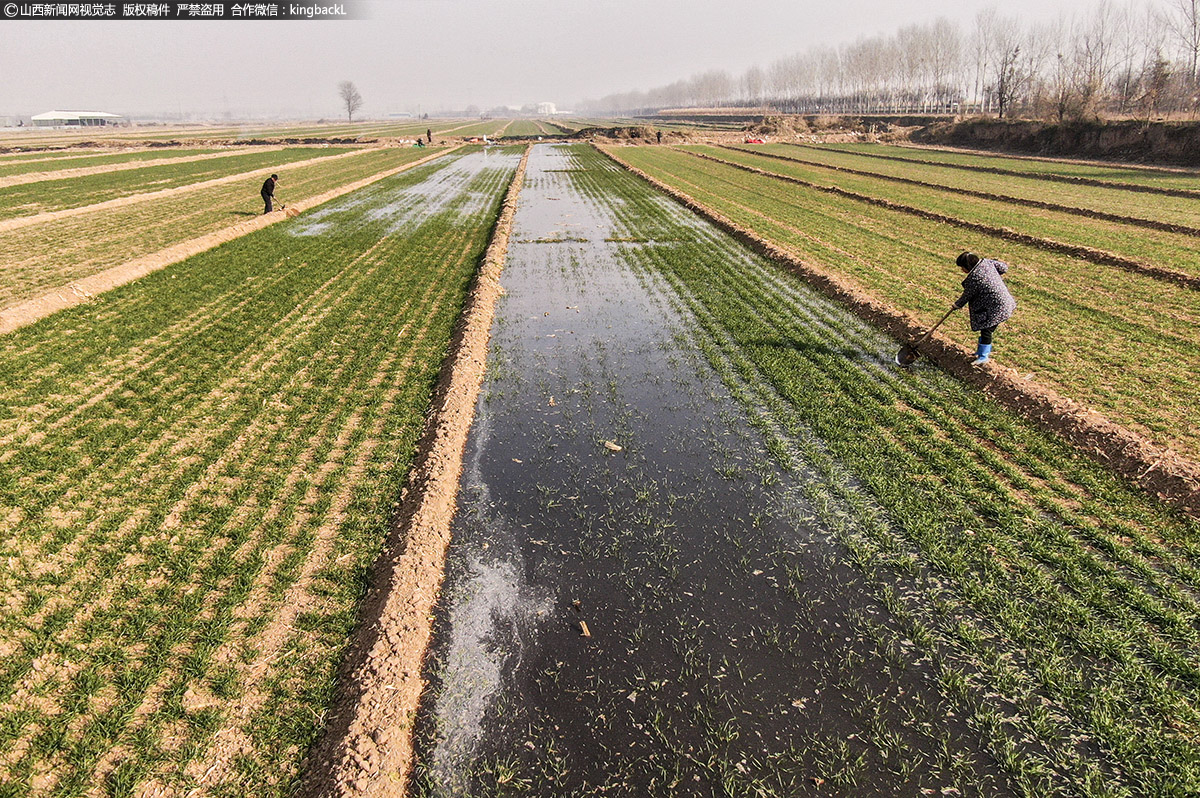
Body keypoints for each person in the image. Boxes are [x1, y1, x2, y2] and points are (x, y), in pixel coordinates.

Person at [952, 251, 1016, 365]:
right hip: (1003, 301)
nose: (962, 271)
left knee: (986, 329)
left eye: (962, 267)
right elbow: (1003, 268)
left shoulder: (974, 278)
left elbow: (967, 295)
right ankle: (980, 352)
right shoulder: (987, 263)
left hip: (997, 306)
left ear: (967, 266)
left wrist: (957, 305)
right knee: (986, 329)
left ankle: (983, 357)